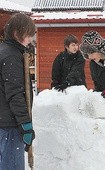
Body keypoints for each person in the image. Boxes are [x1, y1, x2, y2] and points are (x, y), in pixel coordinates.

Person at [0, 13, 35, 169]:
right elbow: (15, 93)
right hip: (9, 125)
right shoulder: (11, 56)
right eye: (28, 34)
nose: (31, 39)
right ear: (17, 33)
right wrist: (25, 124)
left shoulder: (4, 51)